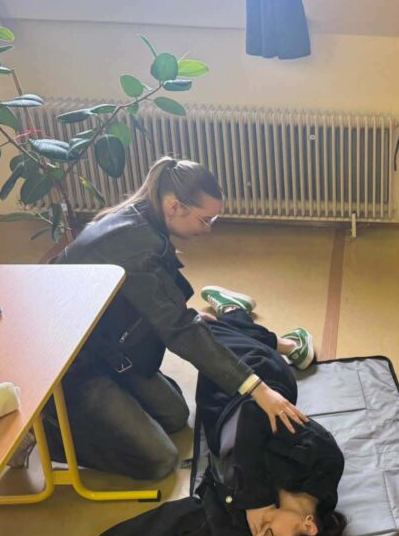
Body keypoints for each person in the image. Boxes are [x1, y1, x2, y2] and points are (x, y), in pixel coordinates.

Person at [25, 156, 315, 480]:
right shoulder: (135, 246)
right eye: (205, 219)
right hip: (67, 363)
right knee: (160, 461)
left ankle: (112, 407)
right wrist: (257, 389)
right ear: (175, 206)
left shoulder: (145, 220)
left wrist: (184, 315)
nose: (209, 228)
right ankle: (39, 432)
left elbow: (154, 301)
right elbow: (180, 331)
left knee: (175, 416)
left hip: (106, 344)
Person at [49, 304, 347, 536]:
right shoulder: (323, 462)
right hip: (261, 383)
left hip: (215, 407)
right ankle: (238, 316)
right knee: (209, 332)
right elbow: (254, 412)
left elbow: (167, 522)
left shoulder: (241, 533)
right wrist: (256, 500)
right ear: (309, 526)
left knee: (206, 341)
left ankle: (241, 321)